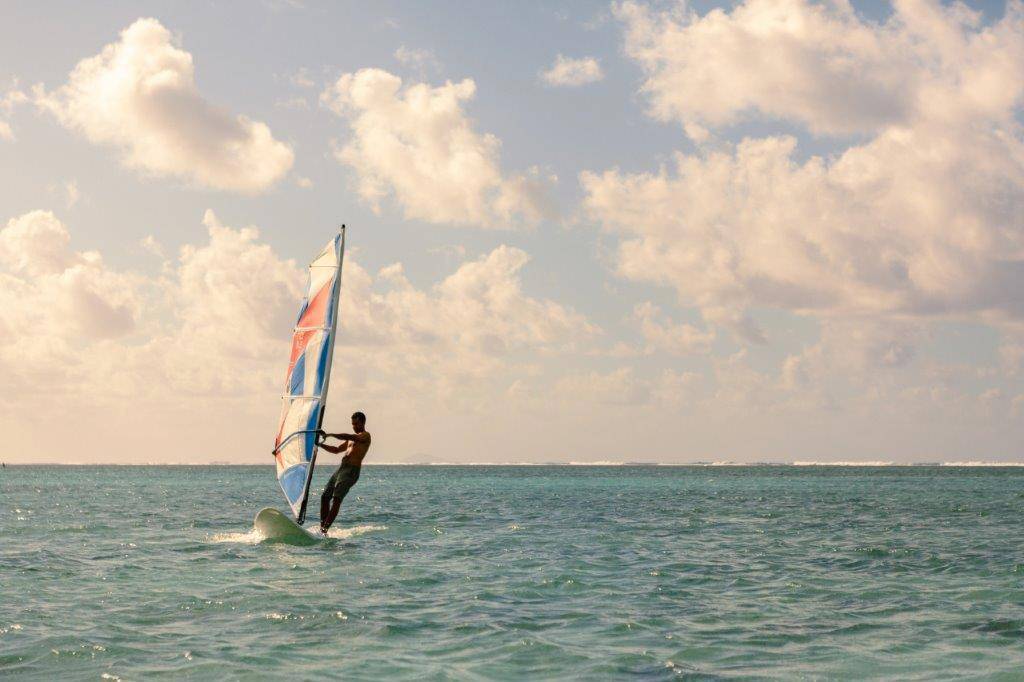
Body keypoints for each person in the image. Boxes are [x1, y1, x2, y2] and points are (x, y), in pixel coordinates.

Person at [316, 411, 371, 534]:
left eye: (356, 424)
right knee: (325, 497)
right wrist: (320, 445)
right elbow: (336, 450)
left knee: (336, 498)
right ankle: (322, 529)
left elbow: (350, 436)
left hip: (351, 471)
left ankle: (325, 529)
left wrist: (330, 434)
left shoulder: (365, 436)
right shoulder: (350, 440)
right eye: (352, 424)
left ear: (363, 422)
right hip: (341, 469)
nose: (354, 426)